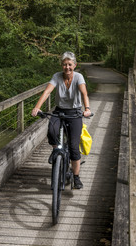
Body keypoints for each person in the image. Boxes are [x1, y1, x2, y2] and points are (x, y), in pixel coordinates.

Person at [31, 52, 91, 189]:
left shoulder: (79, 77)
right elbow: (47, 92)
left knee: (74, 147)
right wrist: (37, 107)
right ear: (61, 65)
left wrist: (87, 108)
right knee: (52, 131)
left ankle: (76, 177)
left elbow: (84, 93)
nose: (67, 67)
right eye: (65, 64)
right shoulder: (56, 77)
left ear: (74, 65)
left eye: (70, 64)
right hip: (59, 111)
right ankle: (55, 150)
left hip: (75, 113)